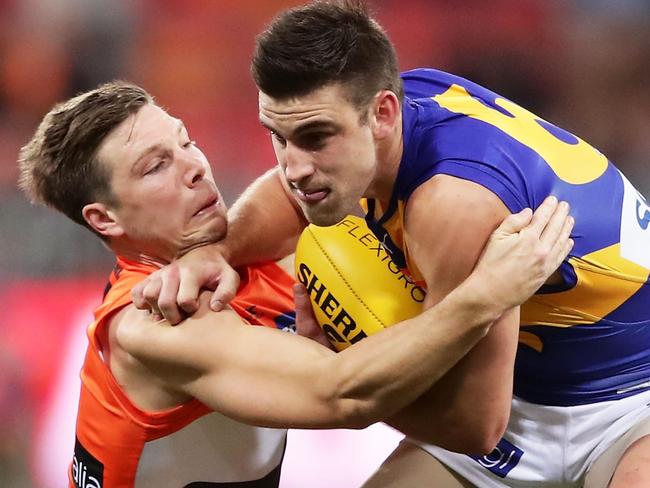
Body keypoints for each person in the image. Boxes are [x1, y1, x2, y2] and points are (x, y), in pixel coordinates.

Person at [133, 2, 650, 487]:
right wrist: (217, 251)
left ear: (382, 114)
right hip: (521, 395)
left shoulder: (453, 205)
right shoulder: (397, 107)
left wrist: (343, 361)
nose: (292, 165)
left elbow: (474, 427)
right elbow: (292, 193)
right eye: (278, 136)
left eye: (315, 137)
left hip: (631, 404)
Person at [17, 82, 571, 488]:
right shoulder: (157, 323)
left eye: (185, 142)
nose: (194, 167)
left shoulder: (242, 262)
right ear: (105, 219)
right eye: (155, 166)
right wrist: (489, 292)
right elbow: (344, 394)